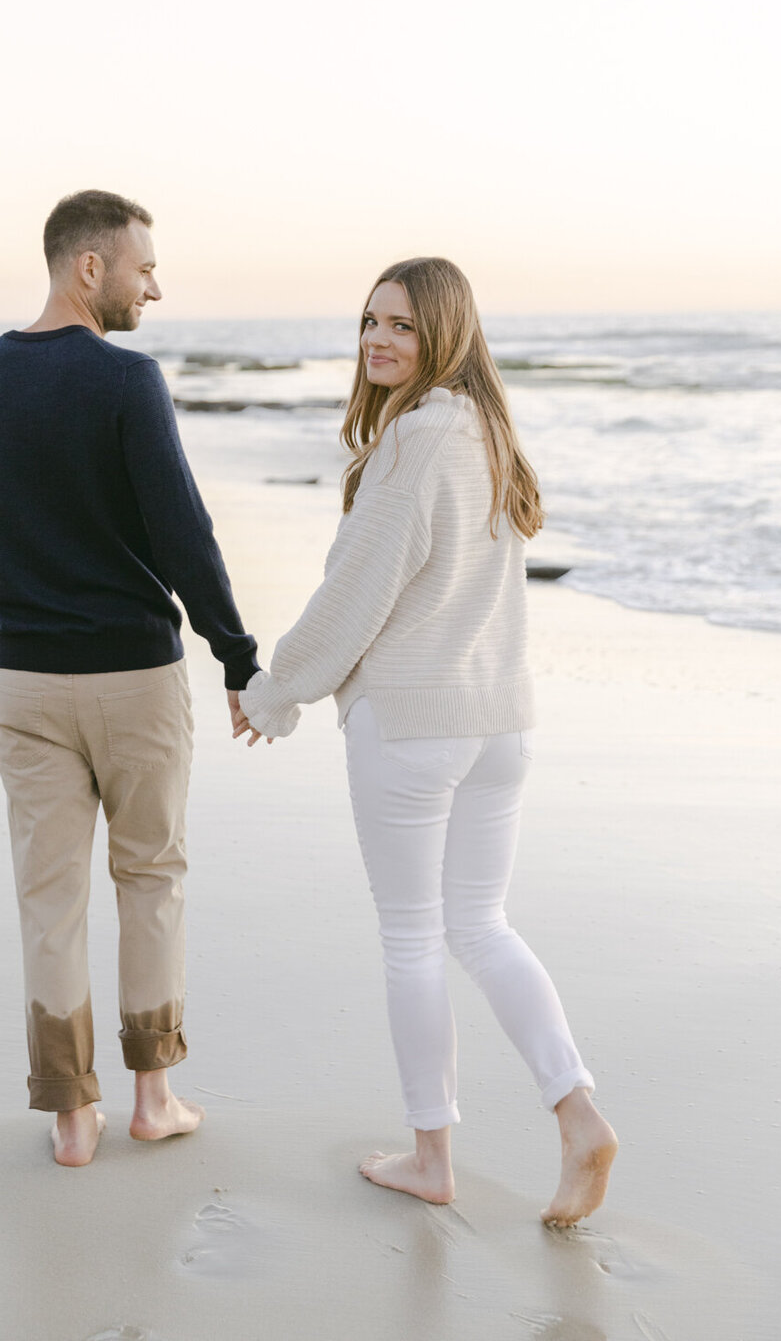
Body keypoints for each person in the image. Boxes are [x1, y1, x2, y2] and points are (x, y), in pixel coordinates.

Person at [236, 257, 617, 1222]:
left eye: (402, 325)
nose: (378, 340)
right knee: (483, 928)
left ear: (444, 333)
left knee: (413, 938)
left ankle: (430, 1158)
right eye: (370, 321)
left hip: (413, 727)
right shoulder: (492, 432)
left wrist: (276, 691)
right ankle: (577, 1116)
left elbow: (357, 595)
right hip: (498, 726)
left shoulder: (417, 438)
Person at [0, 189, 259, 1167]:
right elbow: (183, 534)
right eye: (143, 266)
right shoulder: (127, 382)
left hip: (25, 682)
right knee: (150, 879)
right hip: (133, 679)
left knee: (50, 899)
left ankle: (70, 1117)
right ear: (90, 266)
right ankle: (152, 1099)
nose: (153, 286)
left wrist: (17, 629)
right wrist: (236, 652)